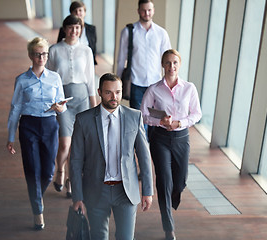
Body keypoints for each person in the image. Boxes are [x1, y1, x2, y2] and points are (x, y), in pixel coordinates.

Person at [69, 73, 153, 240]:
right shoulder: (83, 120)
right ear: (99, 92)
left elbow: (144, 157)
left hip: (126, 191)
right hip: (96, 190)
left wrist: (148, 191)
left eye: (118, 92)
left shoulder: (134, 117)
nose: (114, 97)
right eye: (109, 92)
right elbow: (75, 161)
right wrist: (77, 196)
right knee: (98, 237)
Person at [140, 49, 202, 240]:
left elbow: (196, 114)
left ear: (179, 64)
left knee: (180, 181)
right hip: (160, 139)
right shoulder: (154, 89)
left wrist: (179, 123)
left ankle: (173, 196)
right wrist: (161, 121)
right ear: (162, 65)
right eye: (167, 63)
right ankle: (169, 229)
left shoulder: (189, 88)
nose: (171, 66)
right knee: (164, 181)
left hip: (182, 138)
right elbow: (143, 114)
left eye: (174, 62)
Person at [6, 37, 67, 230]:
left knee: (48, 171)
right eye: (38, 54)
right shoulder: (22, 80)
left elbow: (63, 106)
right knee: (32, 170)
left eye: (45, 54)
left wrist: (60, 108)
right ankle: (38, 210)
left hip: (50, 125)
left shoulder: (55, 78)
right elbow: (15, 108)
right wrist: (10, 136)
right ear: (31, 55)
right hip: (29, 126)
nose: (42, 58)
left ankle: (37, 192)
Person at [46, 15, 97, 198]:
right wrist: (52, 104)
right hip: (63, 101)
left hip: (82, 98)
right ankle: (60, 170)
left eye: (78, 28)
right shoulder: (54, 50)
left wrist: (94, 106)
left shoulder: (86, 51)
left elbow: (91, 80)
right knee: (65, 144)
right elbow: (50, 78)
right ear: (65, 29)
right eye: (71, 27)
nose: (74, 31)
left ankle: (70, 181)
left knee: (78, 146)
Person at [117, 0, 171, 111]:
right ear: (138, 11)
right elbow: (121, 59)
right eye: (144, 10)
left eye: (149, 10)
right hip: (135, 83)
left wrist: (169, 81)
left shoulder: (161, 33)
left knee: (155, 120)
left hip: (156, 83)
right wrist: (118, 83)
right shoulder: (128, 32)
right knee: (140, 120)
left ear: (153, 10)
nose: (147, 13)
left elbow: (168, 59)